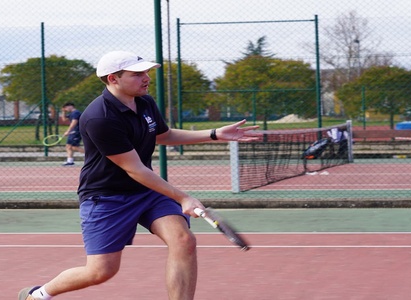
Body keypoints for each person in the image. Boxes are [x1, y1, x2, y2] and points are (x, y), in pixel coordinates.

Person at [19, 50, 258, 300]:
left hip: (147, 191)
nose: (146, 78)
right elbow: (134, 168)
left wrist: (214, 133)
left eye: (146, 72)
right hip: (107, 197)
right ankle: (38, 295)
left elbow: (162, 135)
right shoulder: (99, 117)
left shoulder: (144, 102)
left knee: (183, 240)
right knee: (101, 271)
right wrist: (184, 198)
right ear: (113, 79)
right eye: (137, 74)